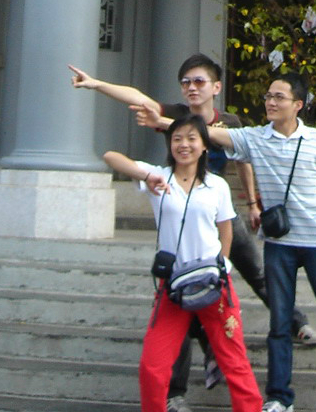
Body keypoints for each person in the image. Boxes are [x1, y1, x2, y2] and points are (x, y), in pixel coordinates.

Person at [69, 55, 316, 410]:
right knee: (176, 330)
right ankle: (177, 391)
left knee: (256, 273)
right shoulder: (171, 138)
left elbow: (243, 163)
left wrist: (252, 203)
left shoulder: (228, 126)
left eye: (199, 81)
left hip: (217, 210)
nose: (191, 88)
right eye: (186, 82)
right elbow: (135, 100)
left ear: (216, 87)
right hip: (179, 240)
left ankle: (296, 323)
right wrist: (96, 84)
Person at [198, 70, 316, 412]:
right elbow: (209, 133)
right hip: (279, 244)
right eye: (268, 96)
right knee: (280, 324)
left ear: (298, 105)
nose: (270, 102)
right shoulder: (256, 138)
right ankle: (279, 397)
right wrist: (166, 121)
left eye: (278, 97)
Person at [103, 113, 261, 412]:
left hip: (214, 284)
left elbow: (226, 228)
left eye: (191, 138)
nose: (184, 145)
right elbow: (111, 156)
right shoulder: (159, 177)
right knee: (153, 365)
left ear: (205, 146)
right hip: (173, 286)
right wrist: (147, 177)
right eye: (177, 139)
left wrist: (223, 265)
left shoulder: (216, 186)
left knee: (234, 362)